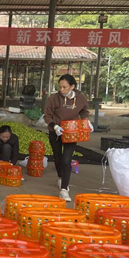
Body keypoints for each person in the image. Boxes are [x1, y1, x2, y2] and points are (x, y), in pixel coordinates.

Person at [43, 74, 91, 202]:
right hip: (56, 132)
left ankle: (64, 189)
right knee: (58, 157)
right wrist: (55, 126)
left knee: (66, 159)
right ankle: (60, 177)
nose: (62, 90)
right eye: (60, 87)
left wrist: (86, 121)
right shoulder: (54, 98)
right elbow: (47, 116)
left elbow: (84, 111)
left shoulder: (80, 98)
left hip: (72, 132)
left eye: (65, 87)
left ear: (72, 87)